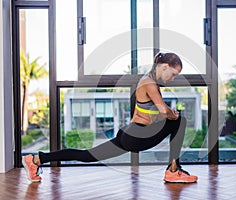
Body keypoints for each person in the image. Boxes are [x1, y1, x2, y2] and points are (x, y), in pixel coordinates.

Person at [22, 52, 198, 183]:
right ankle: (173, 170)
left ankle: (36, 159)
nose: (173, 78)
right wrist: (171, 113)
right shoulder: (150, 83)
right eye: (173, 74)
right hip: (136, 136)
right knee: (179, 120)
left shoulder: (148, 80)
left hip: (130, 134)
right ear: (164, 67)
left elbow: (150, 114)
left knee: (87, 155)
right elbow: (163, 111)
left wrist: (166, 115)